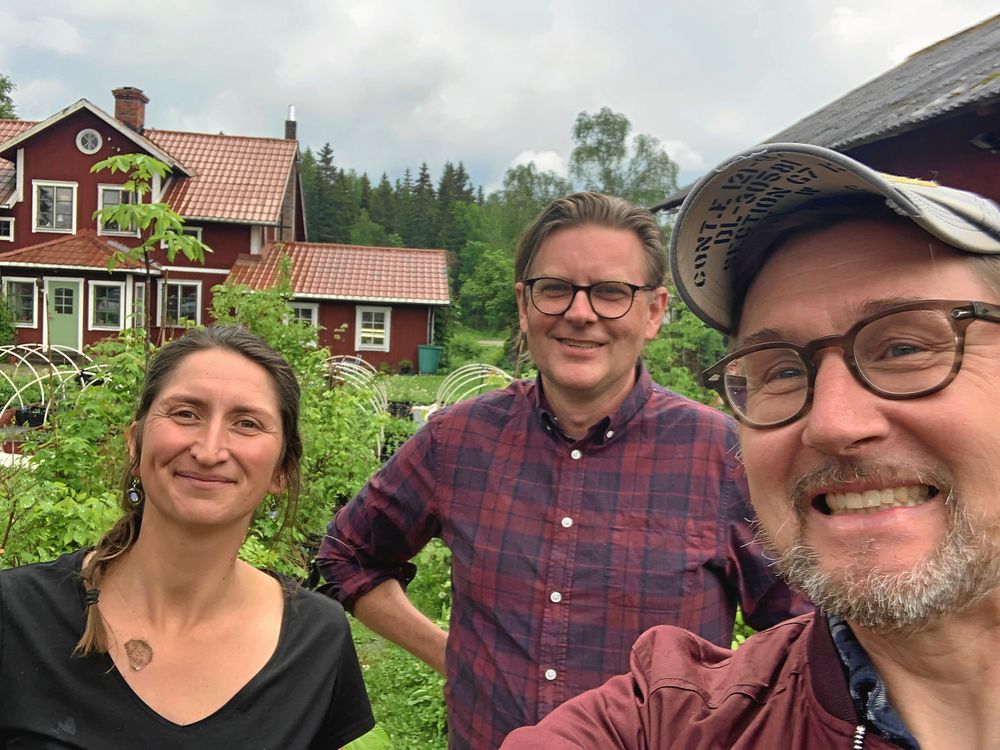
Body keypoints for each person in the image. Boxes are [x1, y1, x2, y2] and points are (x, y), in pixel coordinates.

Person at [501, 143, 1000, 749]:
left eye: (904, 349)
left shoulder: (706, 447)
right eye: (782, 370)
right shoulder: (672, 721)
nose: (833, 423)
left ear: (653, 313)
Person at [318, 191, 808, 749]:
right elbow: (346, 555)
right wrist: (452, 654)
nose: (580, 312)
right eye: (555, 289)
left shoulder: (722, 455)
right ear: (525, 306)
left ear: (652, 313)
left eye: (611, 293)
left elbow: (809, 633)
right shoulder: (457, 440)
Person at [0, 326, 374, 749]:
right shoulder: (16, 614)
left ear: (280, 471)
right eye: (185, 414)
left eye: (247, 423)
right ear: (135, 443)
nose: (209, 450)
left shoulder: (316, 641)